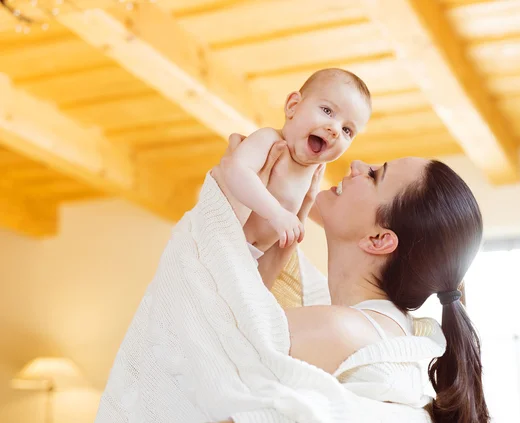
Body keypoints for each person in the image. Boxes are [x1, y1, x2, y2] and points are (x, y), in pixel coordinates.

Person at [95, 138, 489, 423]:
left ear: (380, 239)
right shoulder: (377, 330)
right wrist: (270, 249)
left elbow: (203, 343)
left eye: (374, 175)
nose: (356, 165)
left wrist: (224, 217)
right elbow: (244, 337)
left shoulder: (338, 329)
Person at [220, 68, 371, 257]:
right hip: (221, 242)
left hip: (251, 258)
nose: (335, 129)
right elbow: (236, 170)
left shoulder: (313, 172)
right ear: (293, 106)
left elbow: (308, 207)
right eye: (327, 111)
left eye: (347, 130)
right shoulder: (270, 140)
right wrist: (275, 213)